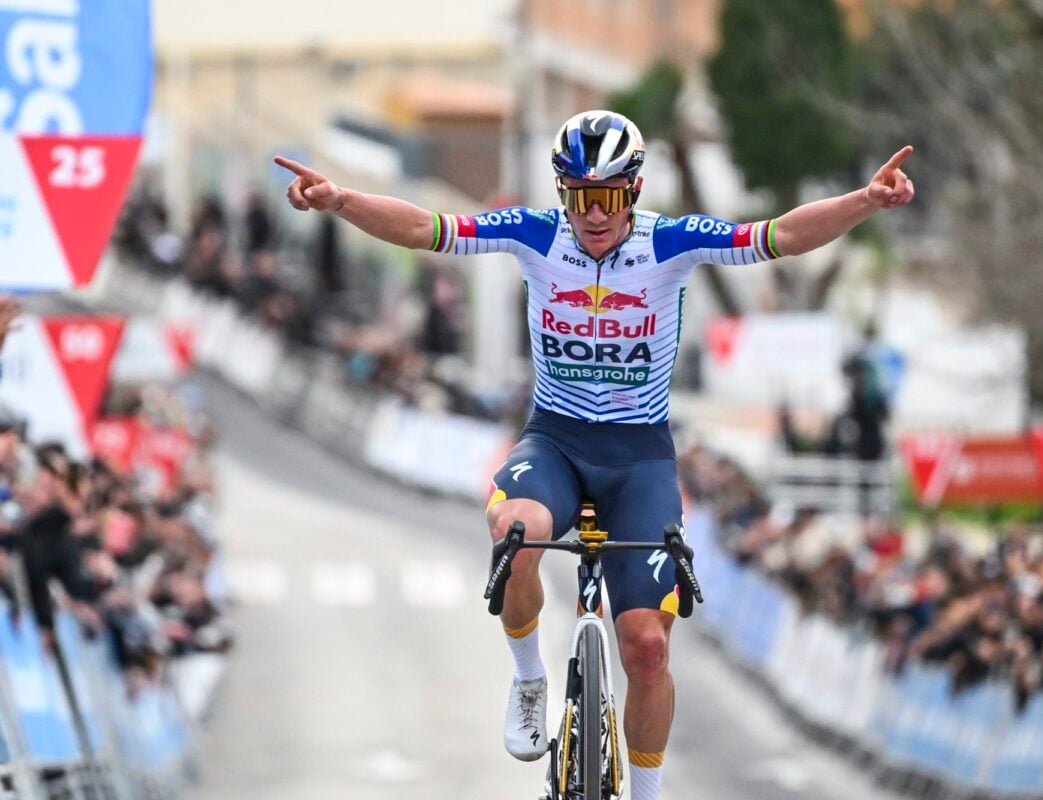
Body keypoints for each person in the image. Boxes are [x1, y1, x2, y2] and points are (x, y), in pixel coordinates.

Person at [275, 109, 914, 800]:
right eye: (580, 196)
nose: (594, 213)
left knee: (647, 647)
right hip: (556, 438)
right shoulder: (536, 234)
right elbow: (427, 228)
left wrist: (864, 201)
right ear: (564, 193)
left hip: (640, 457)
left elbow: (780, 236)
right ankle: (529, 677)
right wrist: (341, 201)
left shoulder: (670, 242)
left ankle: (648, 793)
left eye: (608, 195)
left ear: (632, 190)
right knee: (516, 531)